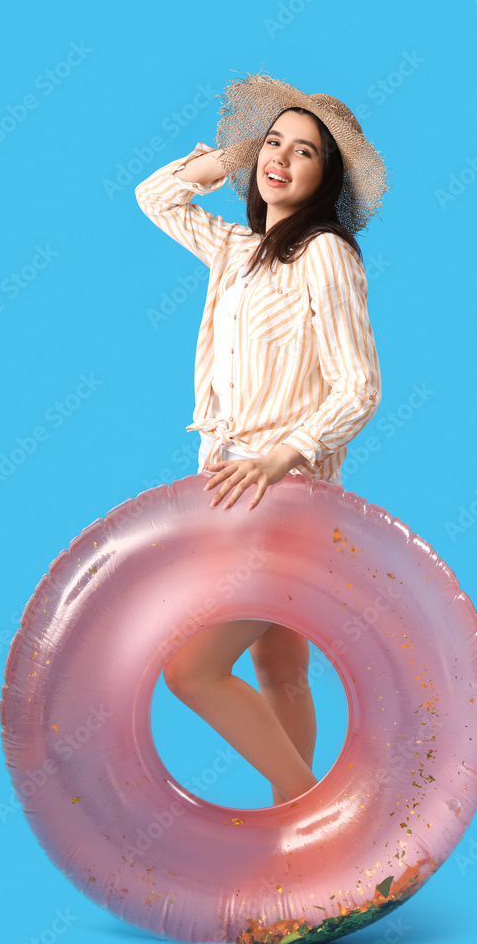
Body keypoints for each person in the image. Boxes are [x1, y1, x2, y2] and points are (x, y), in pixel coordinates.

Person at [135, 71, 388, 806]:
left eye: (303, 151)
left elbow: (358, 387)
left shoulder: (326, 256)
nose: (280, 158)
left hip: (285, 493)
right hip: (229, 482)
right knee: (280, 668)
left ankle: (316, 821)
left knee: (191, 670)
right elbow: (156, 197)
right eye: (274, 143)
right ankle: (303, 845)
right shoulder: (235, 252)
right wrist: (239, 149)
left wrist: (286, 454)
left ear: (326, 177)